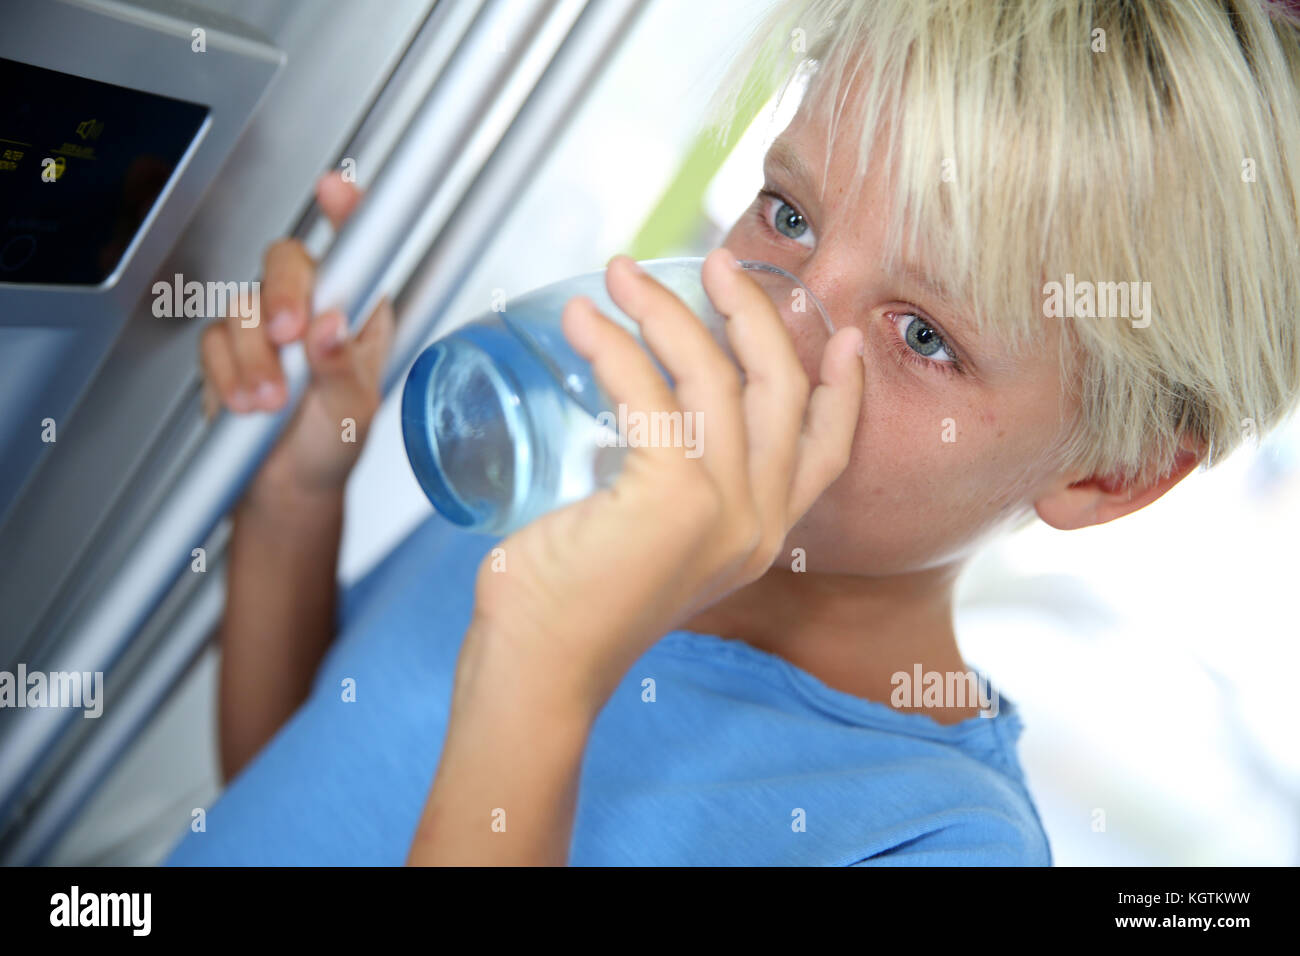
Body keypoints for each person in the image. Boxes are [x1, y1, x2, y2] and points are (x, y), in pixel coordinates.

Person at [166, 0, 1300, 865]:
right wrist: (297, 492)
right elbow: (300, 794)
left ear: (1112, 471)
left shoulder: (927, 838)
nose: (771, 322)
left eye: (922, 334)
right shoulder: (581, 476)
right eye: (791, 215)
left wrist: (543, 678)